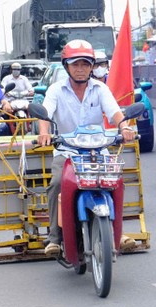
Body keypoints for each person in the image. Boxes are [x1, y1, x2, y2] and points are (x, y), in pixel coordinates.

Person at [36, 40, 136, 257]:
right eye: (75, 64)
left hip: (98, 151)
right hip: (67, 152)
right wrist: (44, 132)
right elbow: (45, 113)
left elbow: (115, 112)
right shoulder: (56, 90)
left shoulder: (100, 89)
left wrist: (125, 127)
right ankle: (54, 237)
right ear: (66, 66)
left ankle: (118, 232)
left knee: (116, 183)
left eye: (85, 64)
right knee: (56, 185)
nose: (80, 69)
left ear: (92, 66)